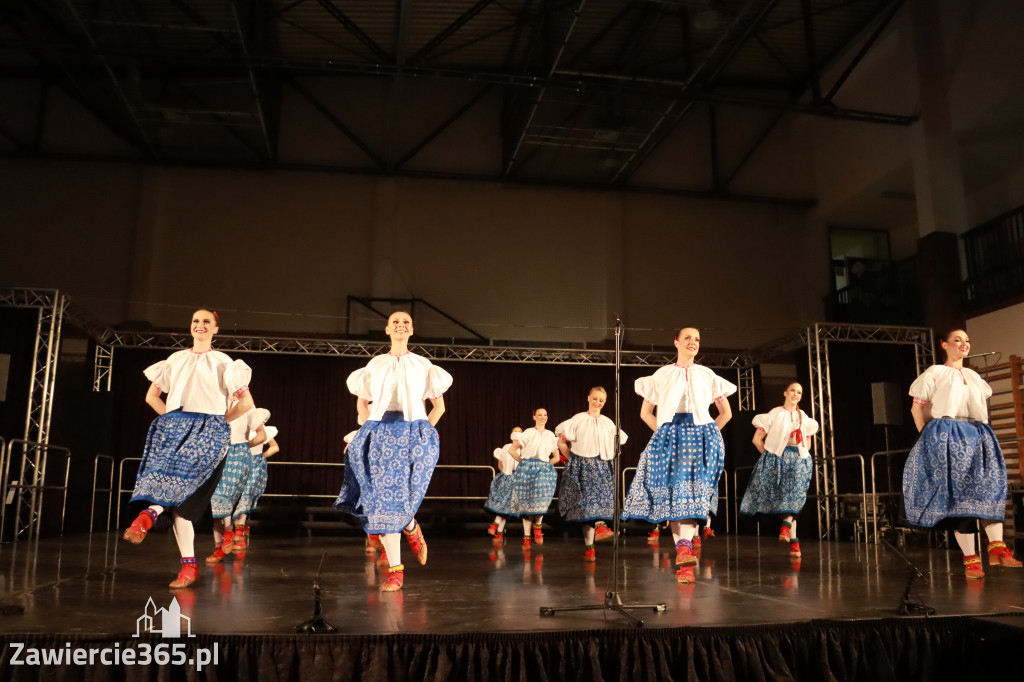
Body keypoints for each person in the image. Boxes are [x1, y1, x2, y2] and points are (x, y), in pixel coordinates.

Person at [122, 308, 254, 589]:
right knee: (177, 505)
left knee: (181, 493)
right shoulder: (175, 359)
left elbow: (246, 403)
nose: (200, 325)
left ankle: (148, 516)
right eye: (196, 321)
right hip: (176, 427)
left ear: (216, 329)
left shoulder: (223, 362)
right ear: (190, 327)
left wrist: (219, 422)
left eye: (207, 321)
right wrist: (170, 420)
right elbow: (151, 396)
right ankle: (188, 566)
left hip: (208, 430)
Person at [334, 311, 452, 591]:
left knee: (398, 498)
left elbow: (440, 407)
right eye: (395, 322)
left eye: (406, 322)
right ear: (387, 329)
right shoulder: (375, 364)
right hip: (379, 430)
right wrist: (365, 430)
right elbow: (362, 404)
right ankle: (400, 559)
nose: (401, 325)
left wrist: (425, 432)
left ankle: (407, 533)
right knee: (378, 500)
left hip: (411, 431)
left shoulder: (423, 365)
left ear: (412, 330)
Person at [903, 328, 1021, 579]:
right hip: (947, 433)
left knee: (990, 487)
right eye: (957, 340)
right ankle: (971, 561)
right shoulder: (935, 372)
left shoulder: (974, 376)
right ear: (944, 345)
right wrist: (928, 439)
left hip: (977, 433)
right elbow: (917, 409)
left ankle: (997, 548)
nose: (964, 344)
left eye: (967, 340)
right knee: (960, 499)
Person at [622, 327, 735, 584]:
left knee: (693, 494)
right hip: (671, 438)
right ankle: (683, 557)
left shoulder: (707, 375)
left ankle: (684, 551)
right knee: (676, 496)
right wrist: (665, 433)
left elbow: (725, 413)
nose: (693, 342)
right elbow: (645, 413)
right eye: (687, 338)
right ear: (676, 342)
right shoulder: (662, 375)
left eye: (697, 339)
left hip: (702, 439)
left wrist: (709, 434)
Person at [739, 382, 819, 558]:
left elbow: (808, 442)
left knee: (796, 497)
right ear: (785, 393)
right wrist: (771, 457)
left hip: (799, 459)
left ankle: (788, 533)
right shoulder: (775, 414)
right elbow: (757, 439)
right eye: (792, 390)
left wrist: (803, 455)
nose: (795, 394)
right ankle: (793, 541)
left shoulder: (804, 417)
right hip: (780, 459)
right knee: (786, 498)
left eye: (799, 392)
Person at [557, 387, 627, 561]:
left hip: (603, 464)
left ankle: (591, 546)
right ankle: (597, 532)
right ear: (588, 398)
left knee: (596, 504)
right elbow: (561, 442)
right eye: (595, 399)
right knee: (587, 503)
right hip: (583, 464)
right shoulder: (578, 419)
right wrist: (571, 459)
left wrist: (612, 454)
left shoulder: (608, 422)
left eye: (601, 400)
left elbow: (616, 444)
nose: (598, 403)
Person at [206, 405, 270, 563]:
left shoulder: (248, 409)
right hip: (220, 455)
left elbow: (262, 436)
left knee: (225, 496)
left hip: (237, 456)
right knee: (215, 503)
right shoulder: (218, 405)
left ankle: (229, 531)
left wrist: (244, 447)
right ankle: (219, 548)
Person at [507, 408, 560, 548]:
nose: (543, 417)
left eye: (545, 415)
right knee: (527, 503)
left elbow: (557, 457)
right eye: (540, 415)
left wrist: (546, 464)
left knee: (541, 499)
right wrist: (523, 461)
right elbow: (511, 450)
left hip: (543, 468)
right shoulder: (528, 432)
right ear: (534, 417)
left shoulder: (550, 435)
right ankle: (526, 537)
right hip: (527, 469)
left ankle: (537, 527)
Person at [232, 422, 279, 550]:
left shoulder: (262, 429)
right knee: (235, 497)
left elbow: (274, 447)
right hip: (238, 464)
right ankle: (242, 527)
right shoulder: (239, 427)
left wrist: (261, 457)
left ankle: (239, 532)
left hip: (255, 465)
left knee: (247, 495)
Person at [485, 427, 523, 545]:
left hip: (518, 479)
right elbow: (500, 465)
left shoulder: (525, 449)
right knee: (503, 504)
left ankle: (496, 527)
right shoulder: (506, 447)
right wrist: (506, 475)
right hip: (506, 477)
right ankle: (499, 532)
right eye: (515, 432)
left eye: (520, 432)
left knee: (506, 505)